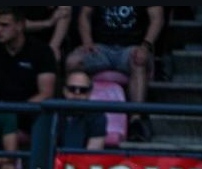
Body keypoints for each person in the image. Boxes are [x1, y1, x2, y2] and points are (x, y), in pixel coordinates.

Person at [64, 6, 164, 143]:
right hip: (101, 48)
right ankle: (73, 113)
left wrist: (146, 46)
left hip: (131, 48)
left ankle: (136, 120)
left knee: (139, 61)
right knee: (73, 61)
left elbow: (157, 18)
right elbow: (84, 14)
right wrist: (87, 41)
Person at [0, 6, 57, 137]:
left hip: (28, 119)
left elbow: (46, 93)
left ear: (19, 26)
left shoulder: (42, 51)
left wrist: (15, 115)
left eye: (4, 25)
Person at [56, 69, 106, 150]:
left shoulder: (97, 115)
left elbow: (93, 153)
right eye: (72, 89)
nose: (77, 93)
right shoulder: (52, 112)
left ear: (89, 93)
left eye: (83, 90)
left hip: (83, 161)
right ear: (64, 91)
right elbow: (45, 149)